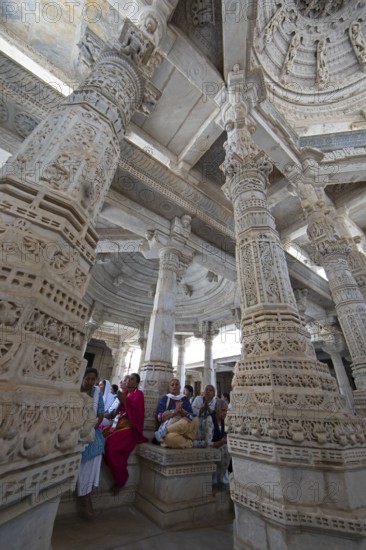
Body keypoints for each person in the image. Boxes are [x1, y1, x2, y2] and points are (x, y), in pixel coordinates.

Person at [104, 373, 147, 492]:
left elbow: (137, 413)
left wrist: (125, 401)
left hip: (130, 427)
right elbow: (118, 411)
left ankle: (121, 479)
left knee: (113, 448)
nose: (128, 381)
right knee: (103, 437)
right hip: (120, 423)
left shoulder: (139, 394)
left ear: (137, 383)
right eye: (127, 378)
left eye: (132, 379)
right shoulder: (126, 393)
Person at [76, 367, 105, 518]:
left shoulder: (96, 393)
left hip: (91, 429)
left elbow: (100, 413)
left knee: (96, 446)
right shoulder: (74, 389)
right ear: (82, 377)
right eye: (87, 378)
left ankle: (86, 494)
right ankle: (83, 494)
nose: (90, 382)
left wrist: (90, 426)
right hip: (73, 427)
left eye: (93, 379)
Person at [155, 378, 198, 448]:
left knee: (195, 419)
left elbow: (191, 416)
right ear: (169, 388)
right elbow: (159, 417)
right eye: (172, 385)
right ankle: (191, 443)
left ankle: (166, 431)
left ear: (180, 387)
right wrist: (174, 411)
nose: (175, 386)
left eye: (177, 384)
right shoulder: (165, 398)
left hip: (184, 426)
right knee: (169, 439)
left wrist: (181, 410)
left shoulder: (184, 399)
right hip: (171, 428)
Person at [211, 399, 231, 487]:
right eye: (223, 410)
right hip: (210, 447)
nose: (225, 413)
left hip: (221, 446)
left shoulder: (224, 421)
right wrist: (222, 441)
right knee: (225, 448)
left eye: (226, 411)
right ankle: (216, 478)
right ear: (216, 410)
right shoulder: (209, 420)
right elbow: (208, 443)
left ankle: (222, 476)